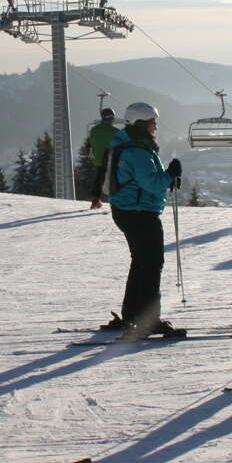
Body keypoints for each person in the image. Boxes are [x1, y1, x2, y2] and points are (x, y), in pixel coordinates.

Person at [105, 102, 183, 340]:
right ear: (141, 124)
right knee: (150, 265)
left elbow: (146, 180)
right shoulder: (137, 151)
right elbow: (151, 183)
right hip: (139, 213)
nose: (155, 126)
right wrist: (170, 174)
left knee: (141, 263)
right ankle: (148, 322)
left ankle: (131, 317)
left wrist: (167, 177)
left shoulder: (131, 144)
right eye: (152, 123)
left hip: (129, 210)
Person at [87, 107, 118, 210]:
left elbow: (90, 143)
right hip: (112, 160)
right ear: (112, 118)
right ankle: (117, 202)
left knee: (99, 180)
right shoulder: (116, 132)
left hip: (99, 160)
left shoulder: (94, 130)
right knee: (115, 180)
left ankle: (95, 201)